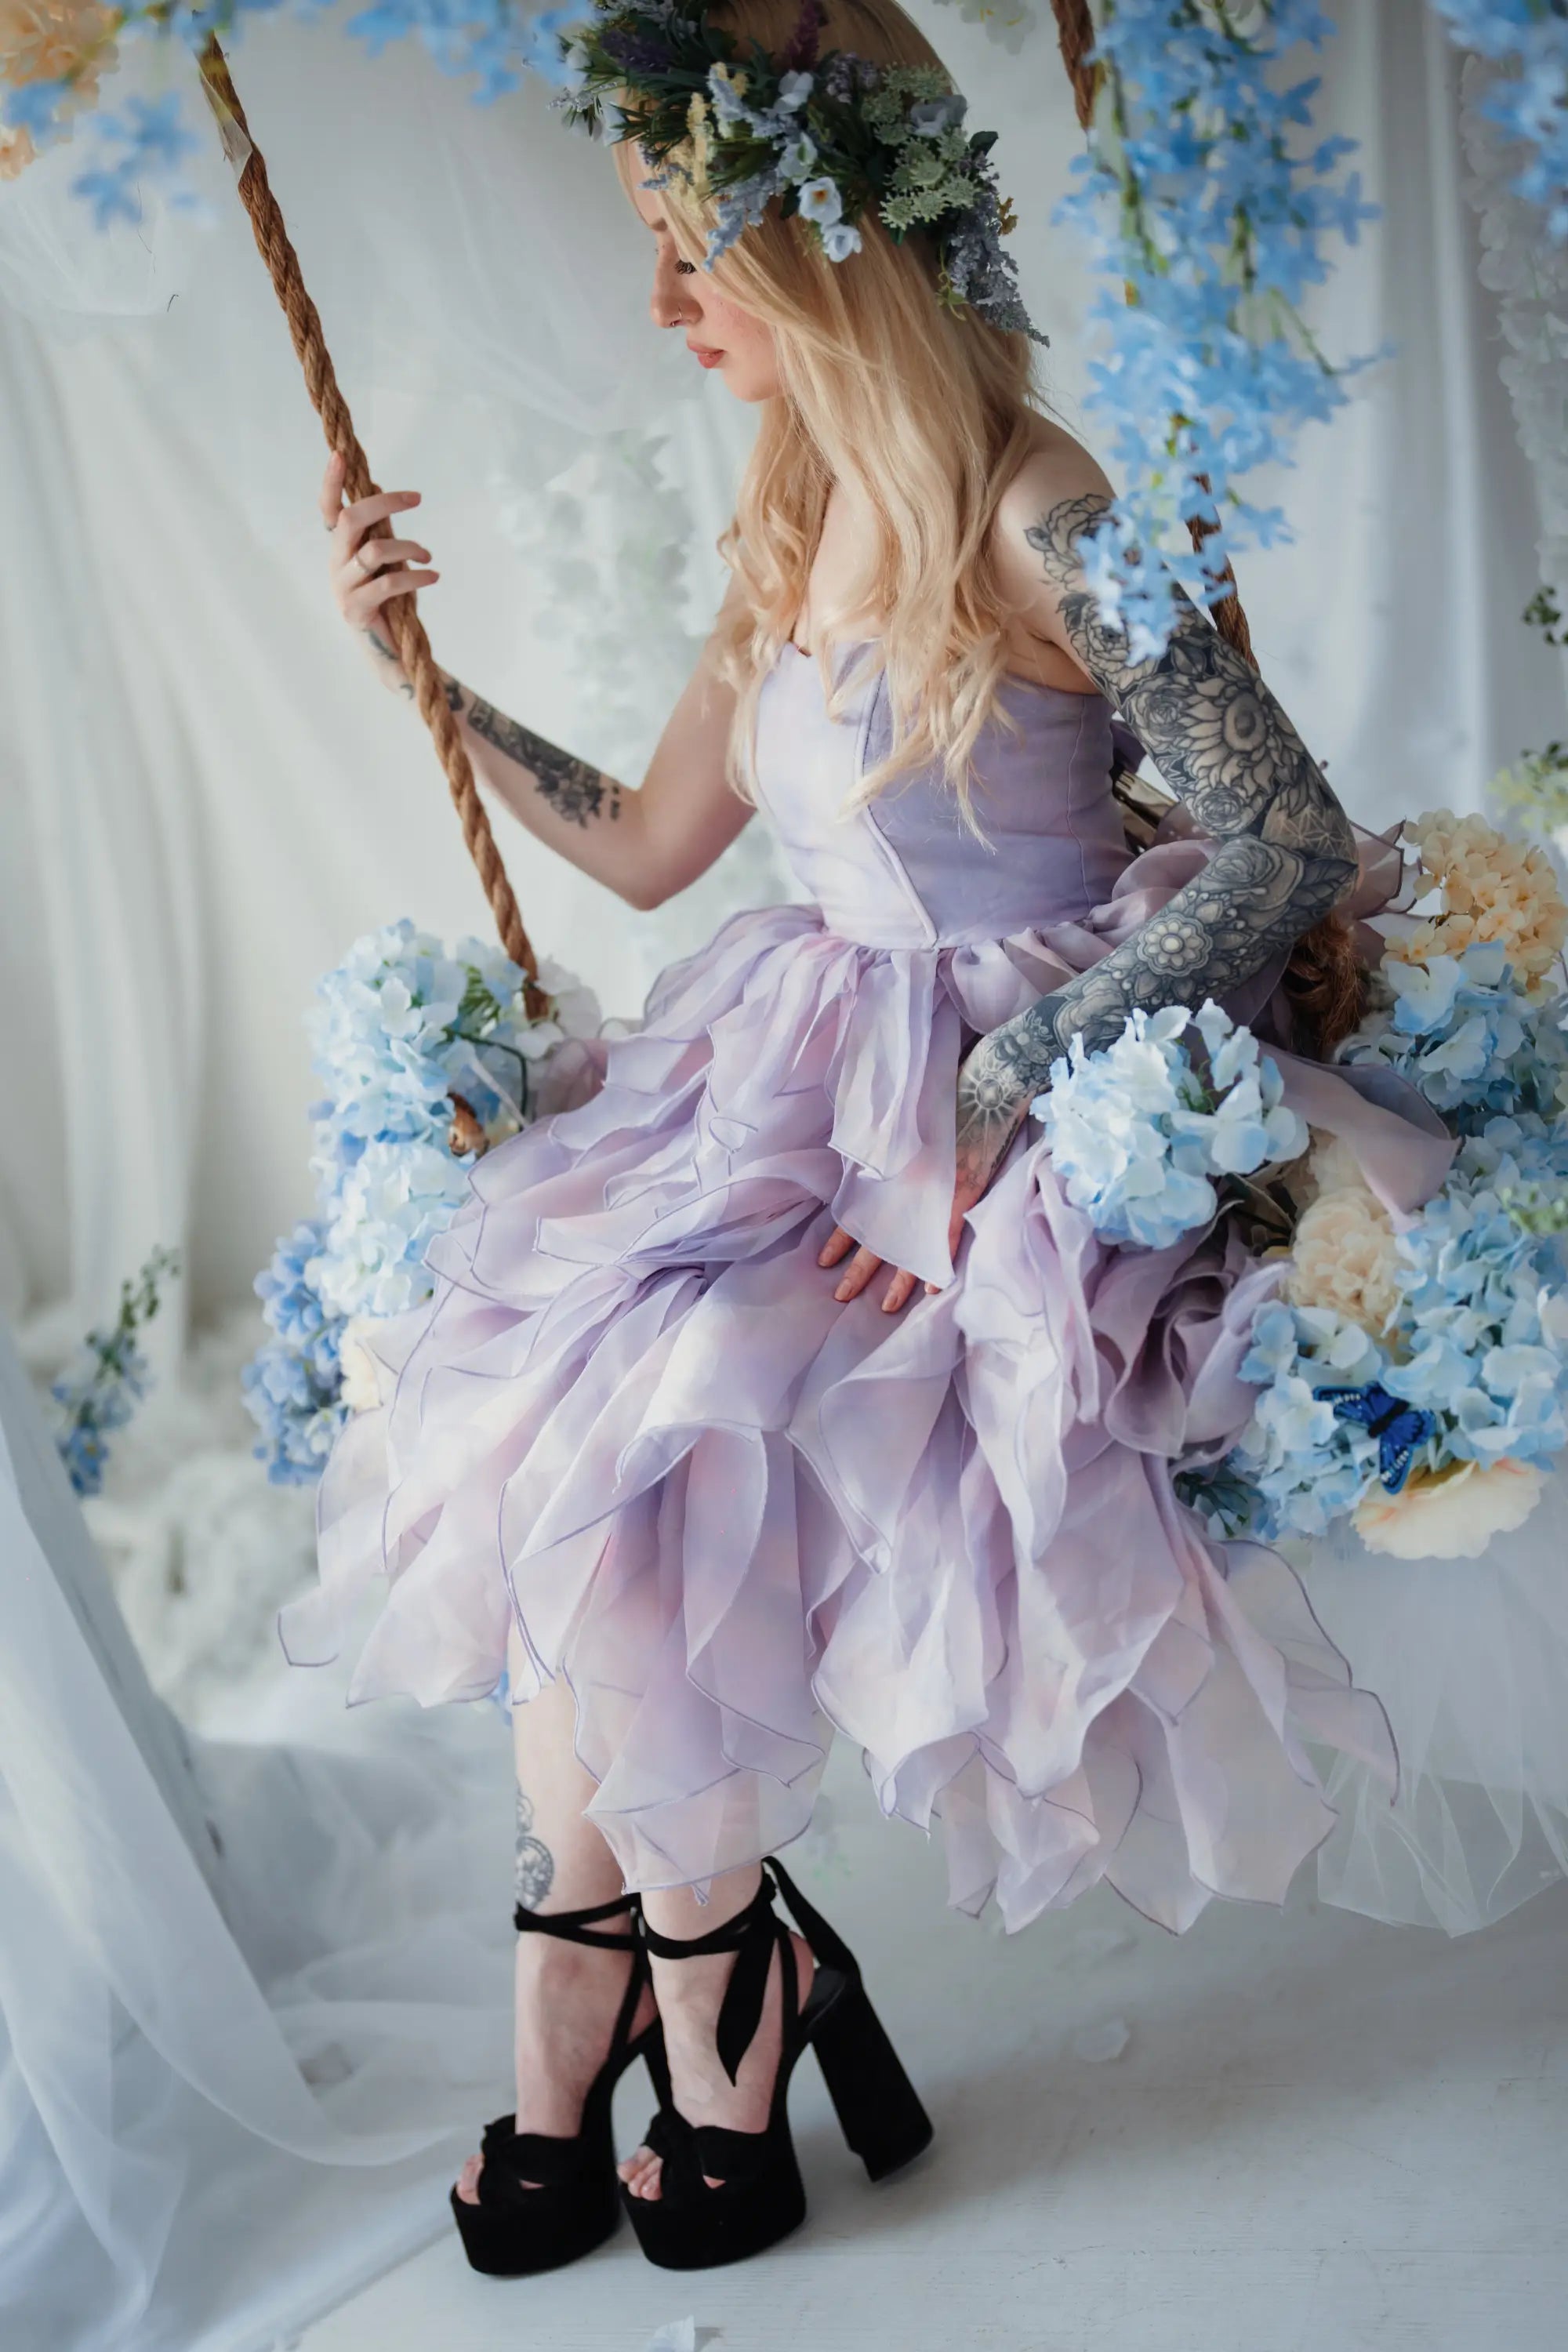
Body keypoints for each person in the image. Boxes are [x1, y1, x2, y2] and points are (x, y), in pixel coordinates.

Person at [288, 0, 1431, 2278]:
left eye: (687, 245)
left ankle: (669, 1997)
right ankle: (687, 1956)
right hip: (796, 1067)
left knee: (681, 1420)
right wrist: (425, 671)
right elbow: (639, 850)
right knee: (546, 1397)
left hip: (1028, 1073)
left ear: (821, 236)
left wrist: (1012, 1103)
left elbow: (1283, 841)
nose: (660, 303)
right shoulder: (797, 504)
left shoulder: (1047, 509)